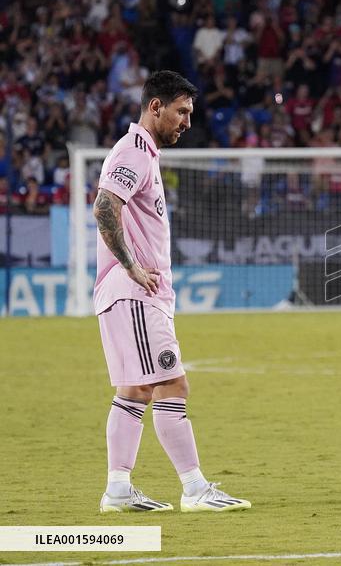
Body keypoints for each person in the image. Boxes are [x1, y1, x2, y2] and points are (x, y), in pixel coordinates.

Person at [92, 71, 250, 513]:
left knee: (133, 391)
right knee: (171, 384)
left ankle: (118, 491)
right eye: (181, 111)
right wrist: (132, 266)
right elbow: (104, 206)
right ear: (155, 107)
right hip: (134, 294)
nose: (187, 122)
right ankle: (195, 489)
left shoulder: (146, 155)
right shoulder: (134, 151)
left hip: (127, 295)